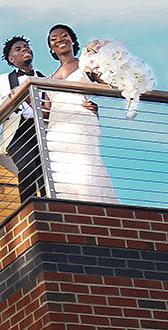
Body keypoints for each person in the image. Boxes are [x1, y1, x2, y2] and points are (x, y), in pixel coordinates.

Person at [43, 24, 119, 203]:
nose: (60, 39)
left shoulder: (85, 65)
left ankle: (93, 207)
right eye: (54, 39)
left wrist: (96, 106)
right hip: (56, 131)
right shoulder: (48, 79)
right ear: (51, 48)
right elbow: (45, 112)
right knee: (62, 170)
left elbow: (112, 86)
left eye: (64, 35)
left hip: (81, 122)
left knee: (85, 166)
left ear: (72, 40)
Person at [0, 36, 45, 200]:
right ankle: (29, 207)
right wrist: (8, 100)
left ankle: (51, 206)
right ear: (11, 59)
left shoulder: (46, 79)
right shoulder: (0, 80)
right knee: (26, 166)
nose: (24, 49)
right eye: (18, 49)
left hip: (43, 130)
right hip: (18, 131)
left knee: (46, 174)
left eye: (26, 46)